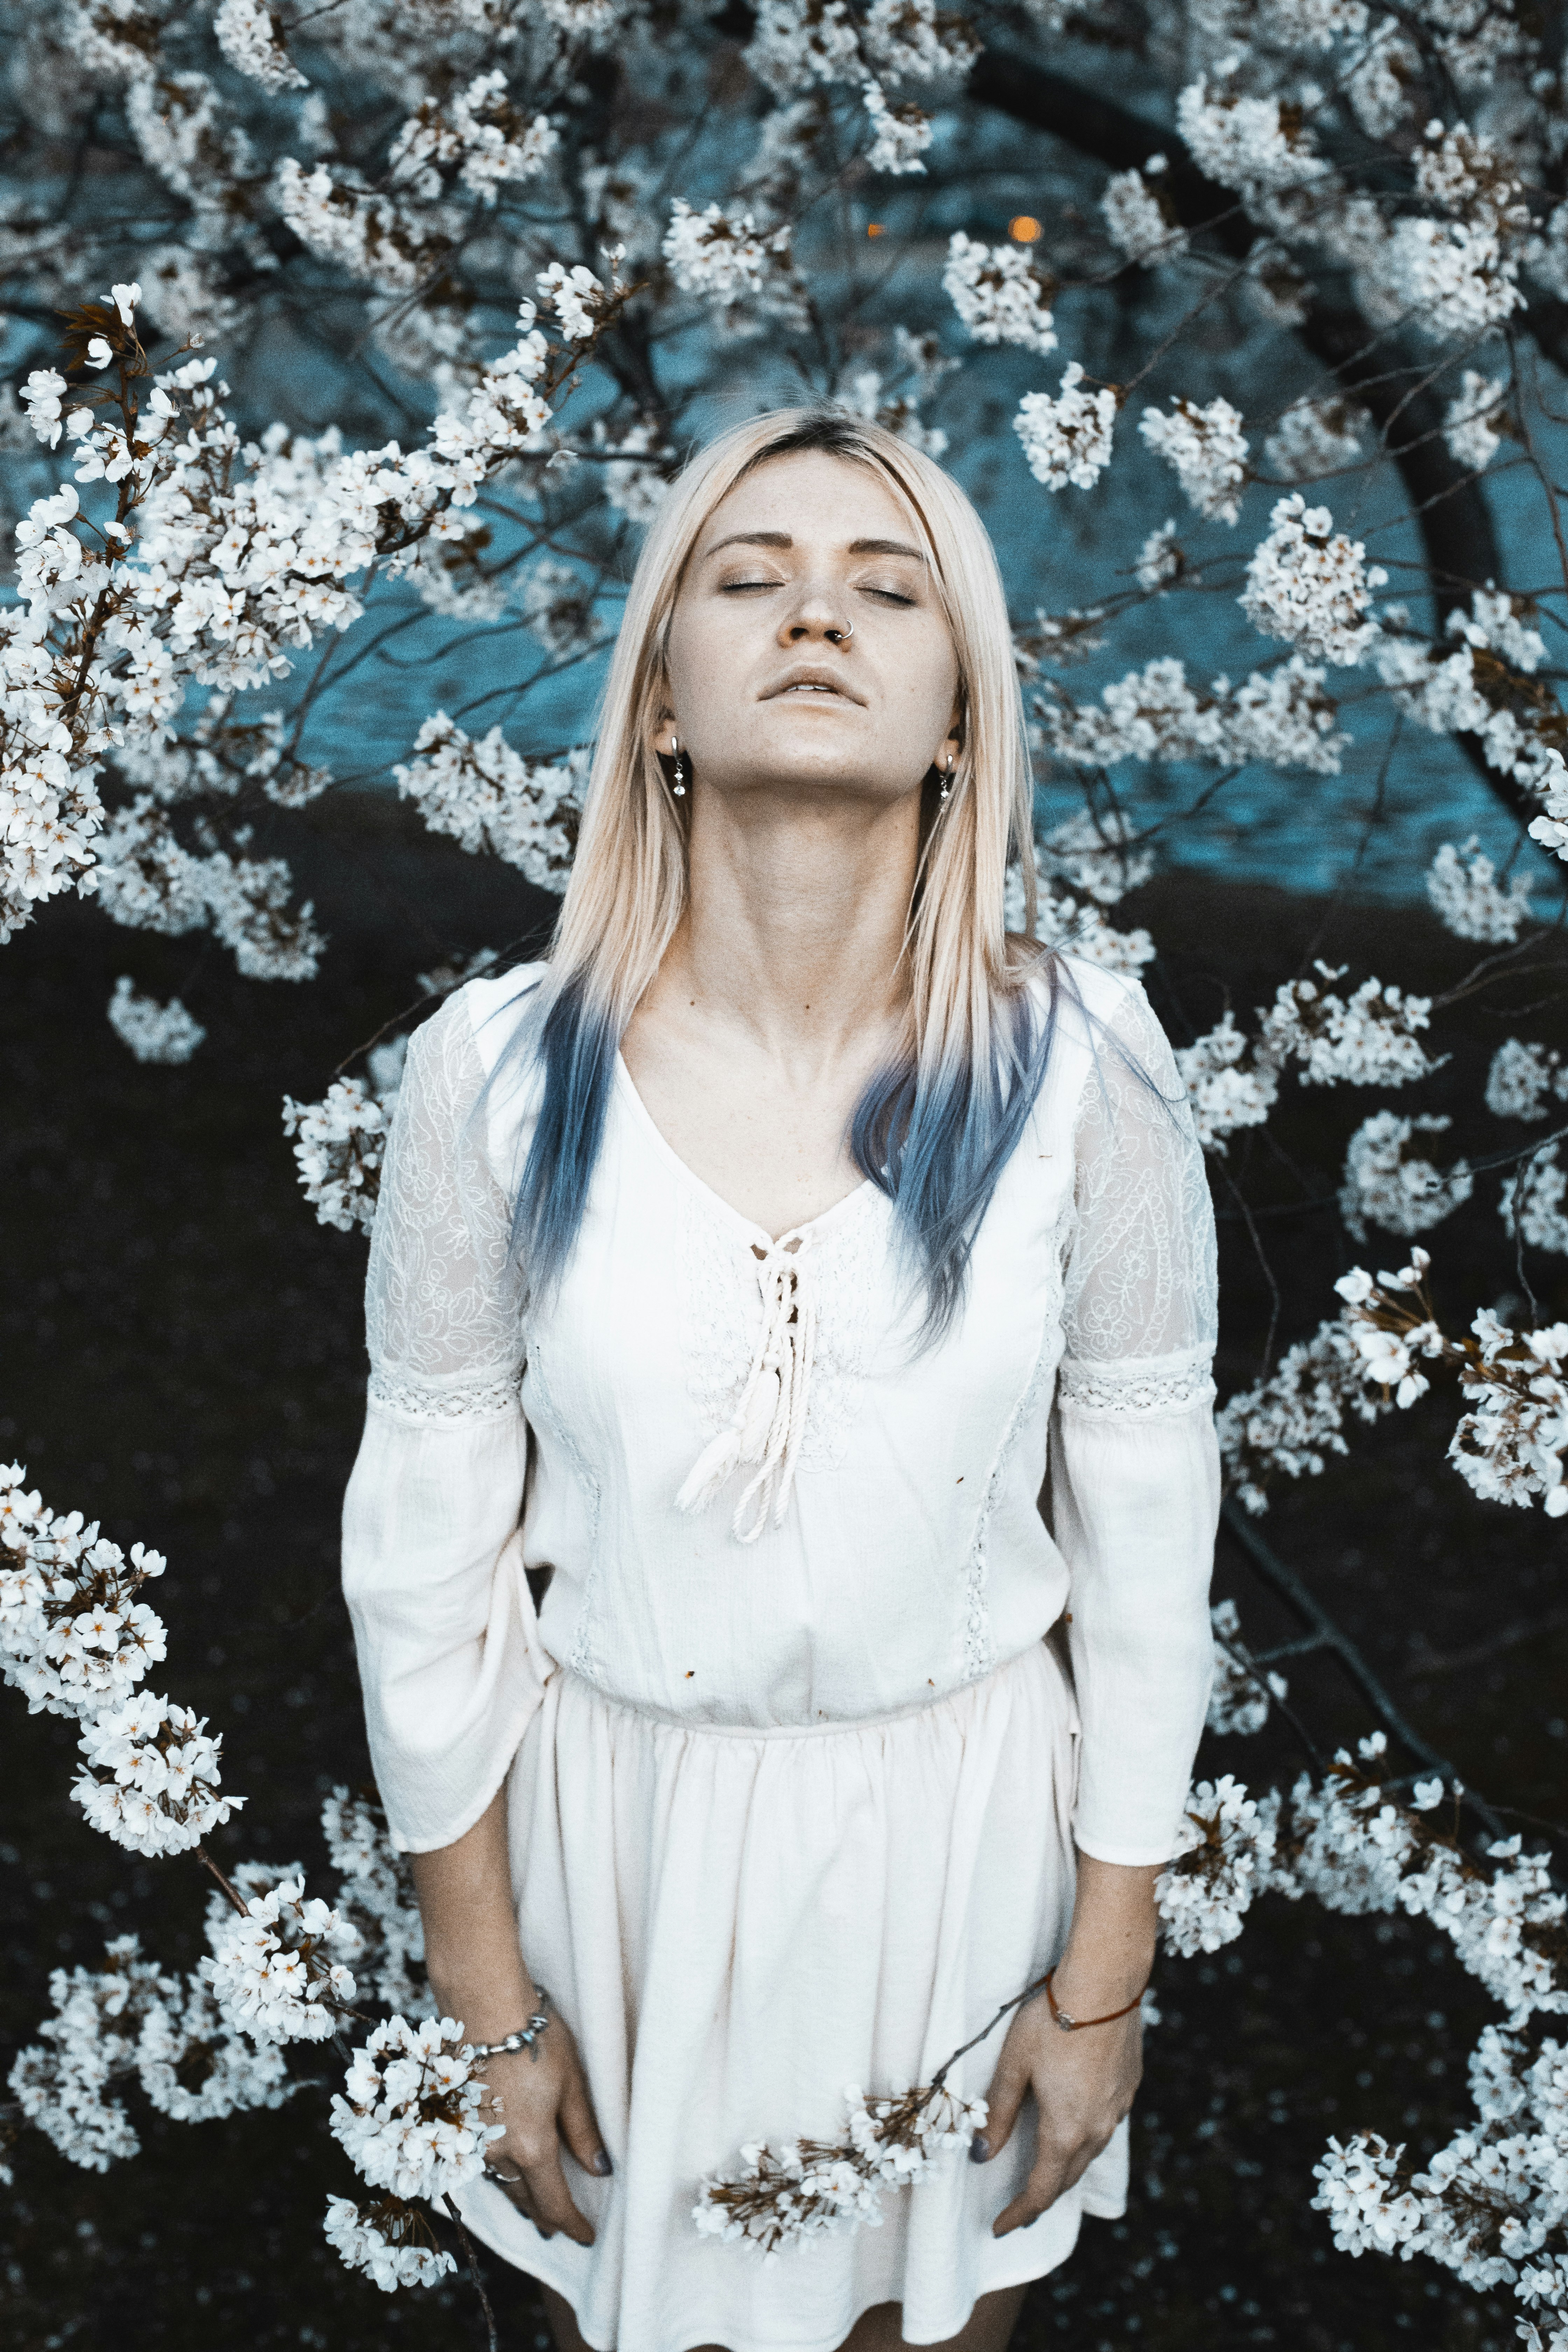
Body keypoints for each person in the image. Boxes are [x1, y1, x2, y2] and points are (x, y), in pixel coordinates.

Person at [341, 406, 1219, 2352]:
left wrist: (1104, 1981)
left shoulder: (1090, 1075)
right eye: (752, 580)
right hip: (612, 1866)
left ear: (959, 724)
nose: (817, 616)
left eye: (884, 590)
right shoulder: (492, 1079)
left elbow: (1153, 1560)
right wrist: (488, 1998)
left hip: (965, 1852)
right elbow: (423, 1573)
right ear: (660, 700)